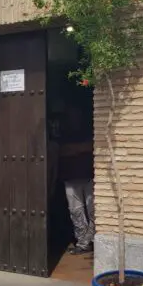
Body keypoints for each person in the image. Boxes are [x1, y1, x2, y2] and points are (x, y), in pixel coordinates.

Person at [59, 104, 95, 255]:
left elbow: (91, 146)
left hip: (89, 177)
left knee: (94, 211)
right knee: (76, 212)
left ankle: (92, 240)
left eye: (76, 114)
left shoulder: (89, 129)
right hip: (70, 178)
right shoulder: (64, 132)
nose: (74, 117)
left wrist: (74, 149)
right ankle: (83, 243)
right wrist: (80, 148)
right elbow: (61, 150)